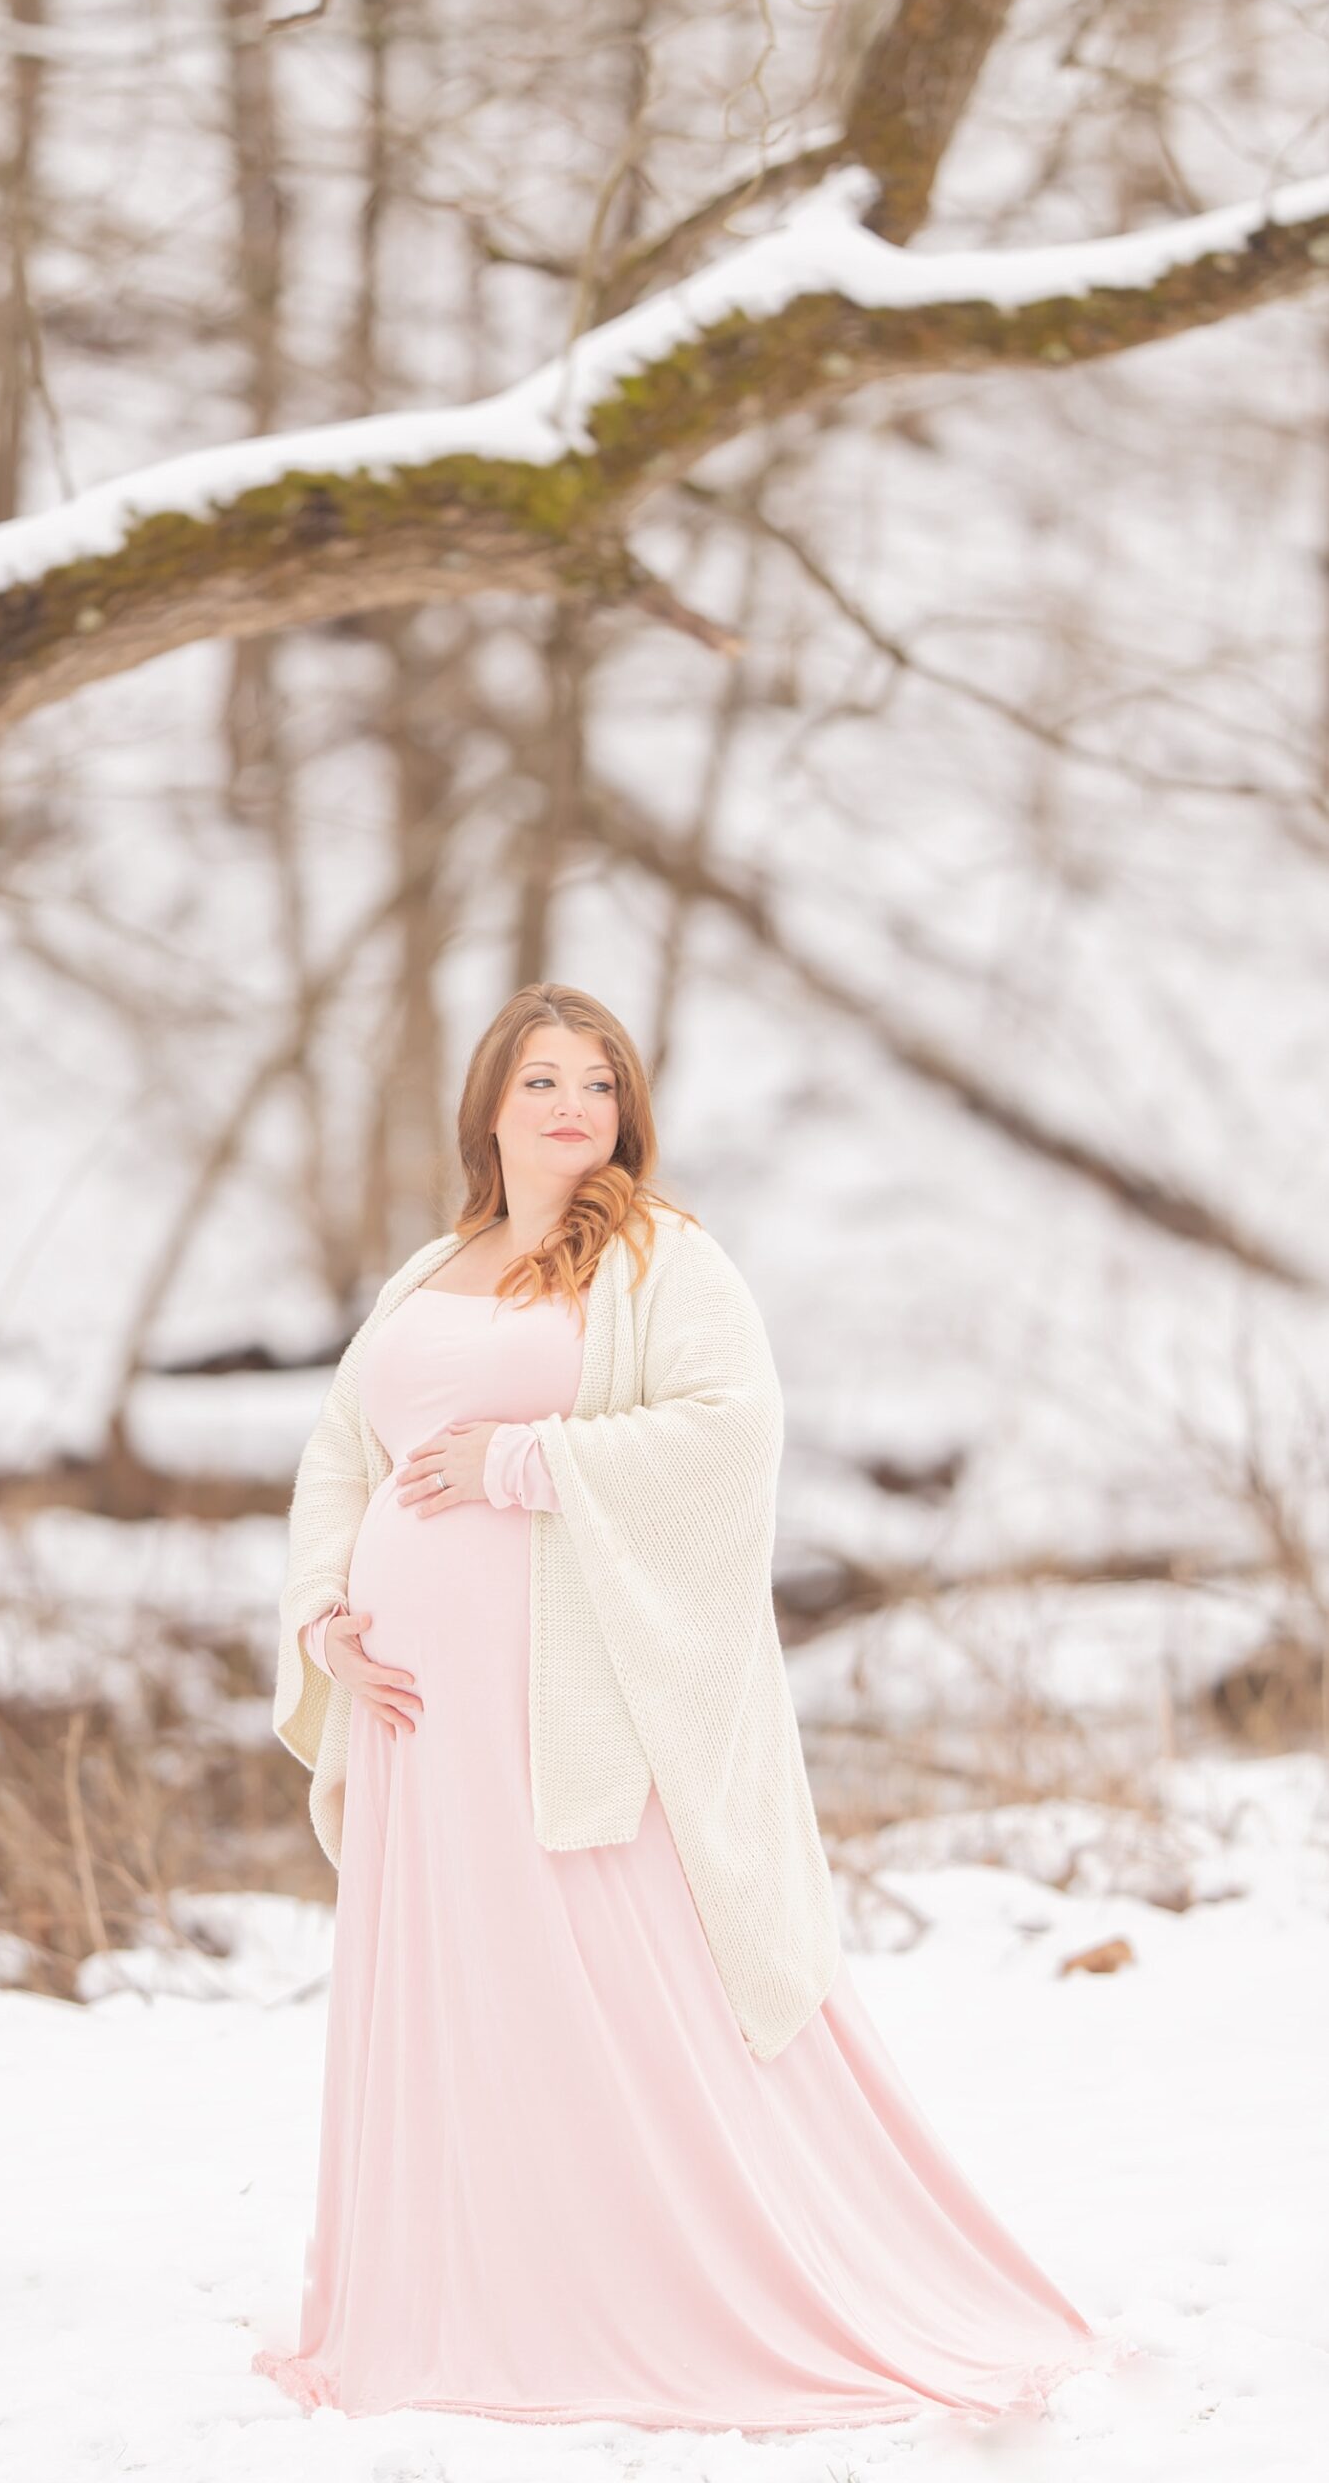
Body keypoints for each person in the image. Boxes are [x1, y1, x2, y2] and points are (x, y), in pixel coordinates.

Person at [252, 981, 1126, 2436]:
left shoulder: (661, 1258)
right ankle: (476, 2284)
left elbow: (732, 1434)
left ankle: (646, 2283)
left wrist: (521, 1462)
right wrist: (324, 1618)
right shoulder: (429, 1273)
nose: (572, 1109)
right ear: (489, 1106)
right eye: (542, 1082)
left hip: (569, 1701)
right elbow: (341, 1457)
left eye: (598, 1084)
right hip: (419, 1715)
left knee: (612, 1987)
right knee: (468, 1986)